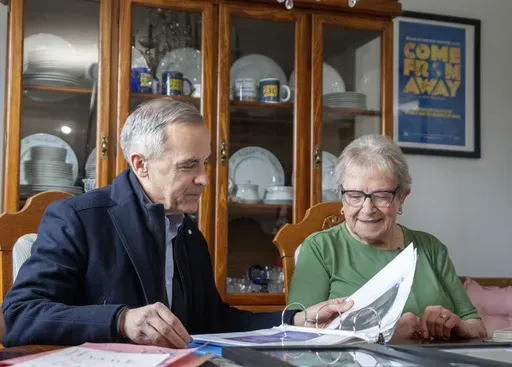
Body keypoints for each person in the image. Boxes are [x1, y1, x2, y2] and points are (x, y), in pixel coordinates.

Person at [1, 98, 353, 347]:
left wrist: (297, 320)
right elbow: (18, 316)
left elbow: (216, 321)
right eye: (188, 166)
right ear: (141, 164)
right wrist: (121, 320)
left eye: (205, 163)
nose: (204, 179)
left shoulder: (186, 232)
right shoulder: (76, 219)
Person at [288, 134, 487, 341]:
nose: (367, 209)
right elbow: (299, 337)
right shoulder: (320, 248)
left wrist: (456, 325)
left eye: (381, 195)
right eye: (355, 196)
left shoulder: (431, 248)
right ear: (341, 197)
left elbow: (476, 326)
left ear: (402, 197)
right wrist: (384, 336)